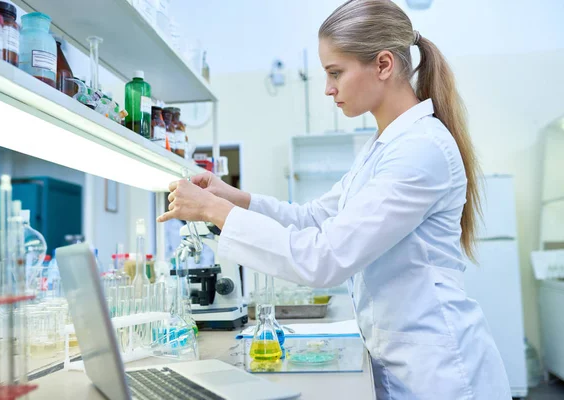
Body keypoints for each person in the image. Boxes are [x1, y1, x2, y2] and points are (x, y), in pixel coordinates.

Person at [157, 0, 511, 398]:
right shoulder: (382, 148)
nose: (328, 88)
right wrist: (234, 199)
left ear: (382, 65)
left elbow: (325, 259)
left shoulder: (420, 151)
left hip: (440, 374)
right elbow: (313, 218)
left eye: (335, 73)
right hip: (405, 363)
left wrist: (214, 211)